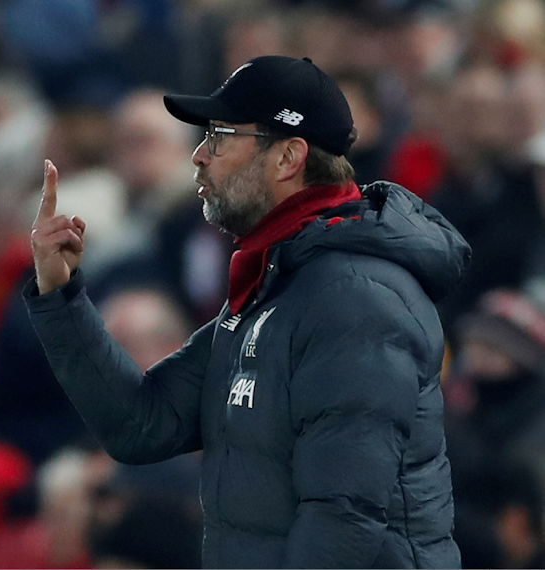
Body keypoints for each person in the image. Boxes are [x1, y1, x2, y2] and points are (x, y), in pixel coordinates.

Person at [25, 55, 470, 568]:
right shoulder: (281, 281)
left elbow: (343, 520)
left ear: (287, 158)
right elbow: (142, 423)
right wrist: (60, 296)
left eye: (219, 136)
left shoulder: (357, 296)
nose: (197, 155)